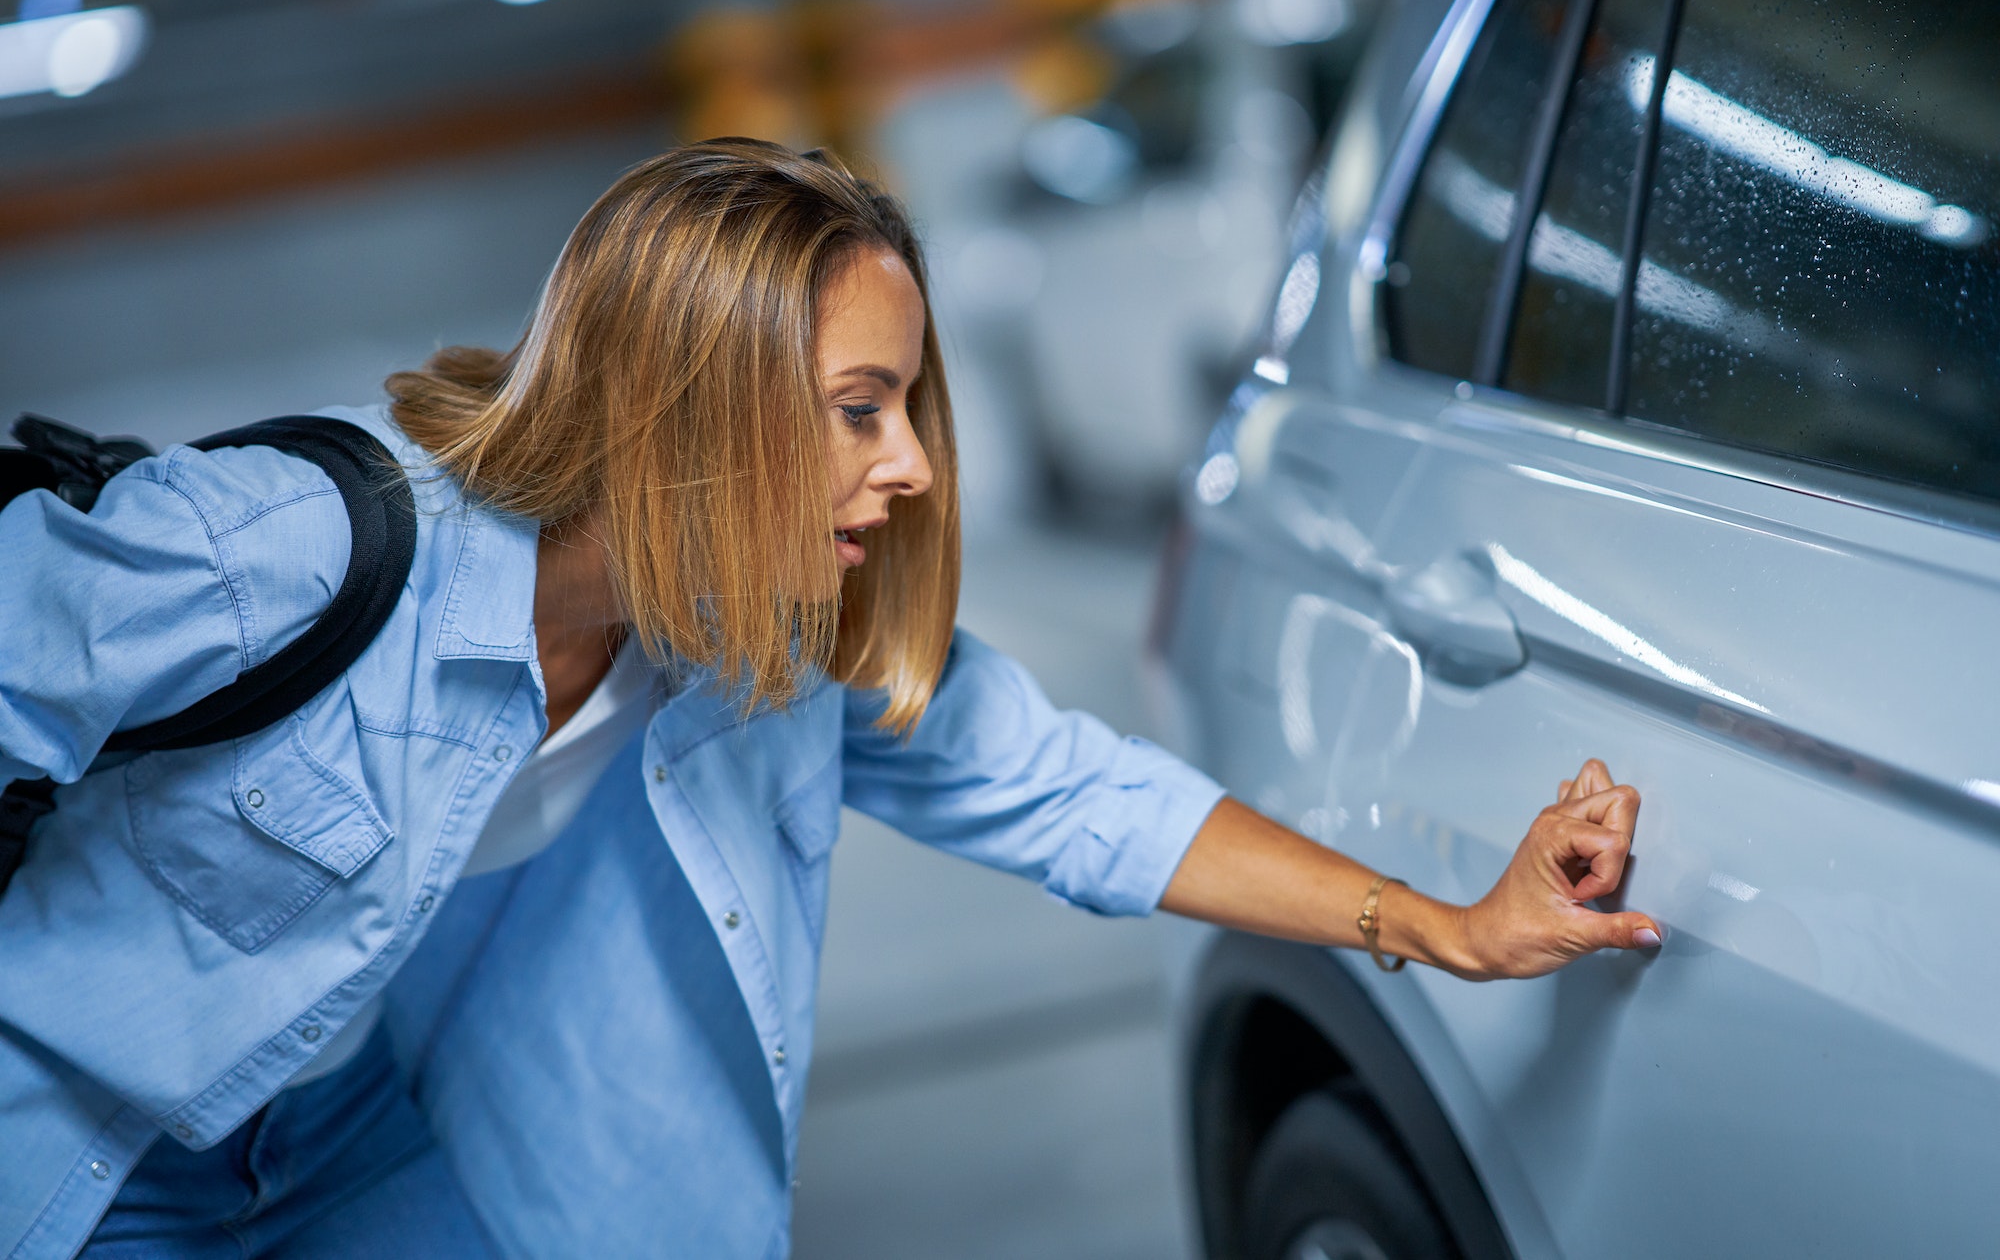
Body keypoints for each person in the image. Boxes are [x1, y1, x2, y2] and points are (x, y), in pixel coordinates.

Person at [0, 140, 1660, 1259]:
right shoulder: (289, 550)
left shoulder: (763, 645)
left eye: (909, 404)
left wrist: (1447, 923)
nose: (915, 463)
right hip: (72, 1165)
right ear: (683, 403)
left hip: (361, 1152)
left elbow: (1076, 791)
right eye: (859, 408)